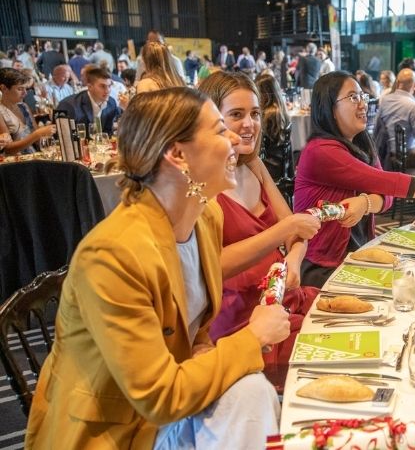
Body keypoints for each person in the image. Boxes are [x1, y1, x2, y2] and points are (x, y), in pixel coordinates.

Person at [24, 87, 289, 449]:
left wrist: (204, 349)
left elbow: (194, 330)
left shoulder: (205, 217)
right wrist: (252, 337)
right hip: (115, 433)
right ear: (178, 155)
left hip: (168, 411)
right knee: (252, 393)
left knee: (253, 392)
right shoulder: (113, 256)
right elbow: (158, 398)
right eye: (218, 129)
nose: (234, 137)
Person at [198, 72, 320, 386]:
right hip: (241, 318)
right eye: (236, 114)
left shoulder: (254, 165)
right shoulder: (200, 185)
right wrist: (285, 231)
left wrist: (293, 260)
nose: (250, 124)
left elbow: (297, 233)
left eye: (254, 113)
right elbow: (210, 266)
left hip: (281, 298)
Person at [294, 71, 415, 287]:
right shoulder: (320, 151)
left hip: (358, 253)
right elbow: (387, 182)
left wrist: (364, 203)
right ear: (330, 109)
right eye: (352, 97)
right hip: (322, 266)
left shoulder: (361, 143)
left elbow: (388, 196)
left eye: (362, 96)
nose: (363, 104)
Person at [0, 68, 55, 155]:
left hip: (34, 157)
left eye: (25, 89)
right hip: (15, 164)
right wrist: (37, 134)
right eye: (20, 89)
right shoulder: (1, 111)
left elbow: (38, 141)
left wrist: (49, 129)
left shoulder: (23, 106)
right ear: (4, 89)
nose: (25, 93)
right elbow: (8, 149)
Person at [56, 66, 123, 135]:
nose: (107, 91)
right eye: (102, 86)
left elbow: (108, 133)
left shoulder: (111, 103)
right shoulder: (67, 105)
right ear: (90, 87)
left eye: (109, 86)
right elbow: (59, 136)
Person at [256, 74, 292, 183]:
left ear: (264, 94)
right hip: (282, 168)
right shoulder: (282, 113)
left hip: (270, 170)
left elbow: (260, 147)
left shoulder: (268, 115)